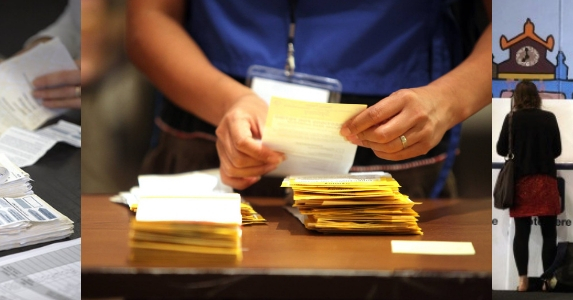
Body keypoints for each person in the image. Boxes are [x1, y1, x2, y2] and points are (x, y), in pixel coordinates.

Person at [127, 0, 492, 198]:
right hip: (213, 132)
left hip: (394, 139)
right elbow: (149, 17)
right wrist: (228, 101)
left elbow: (526, 22)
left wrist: (447, 100)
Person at [496, 80, 561, 292]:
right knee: (549, 233)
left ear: (516, 97)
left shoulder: (512, 118)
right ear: (537, 96)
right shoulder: (549, 118)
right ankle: (546, 281)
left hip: (521, 181)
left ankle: (522, 280)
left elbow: (500, 148)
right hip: (546, 181)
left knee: (521, 233)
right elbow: (557, 150)